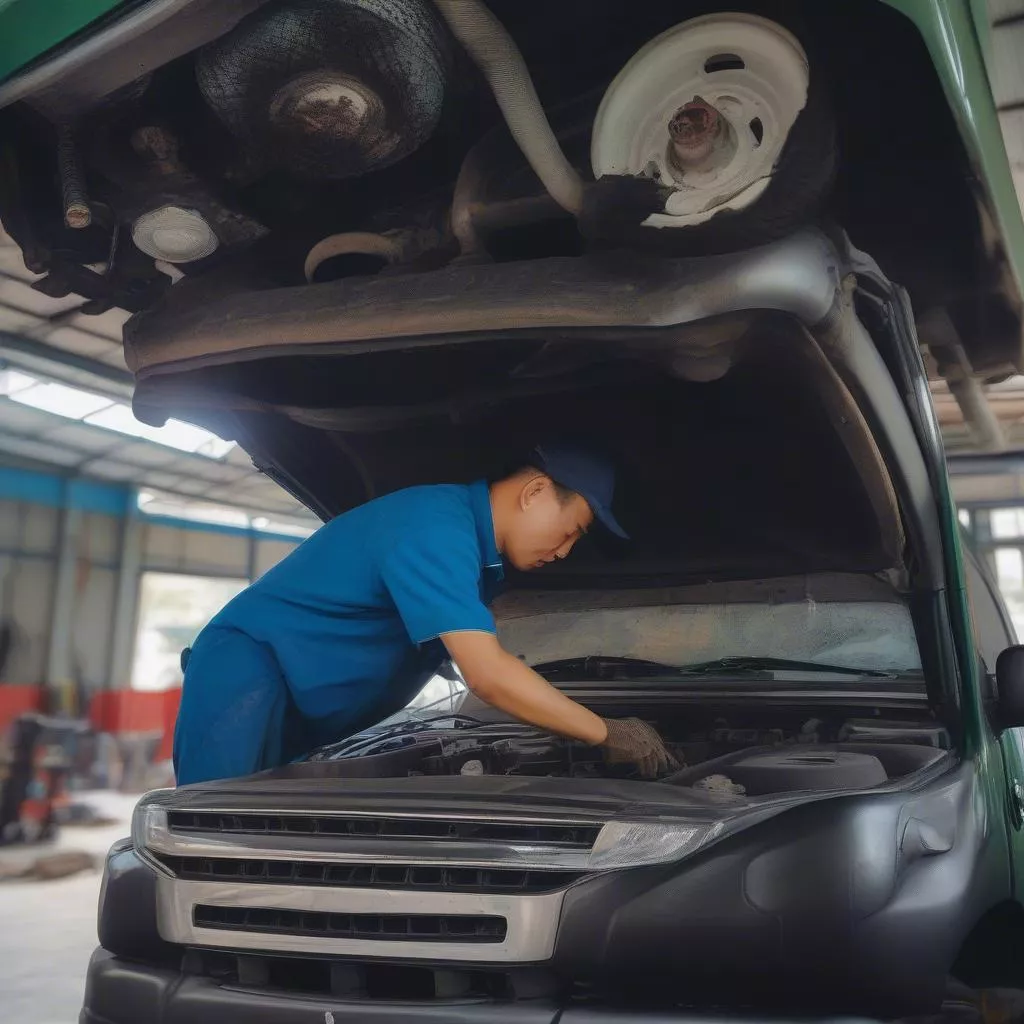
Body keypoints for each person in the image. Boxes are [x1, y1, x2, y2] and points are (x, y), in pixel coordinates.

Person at [172, 443, 675, 784]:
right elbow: (488, 676)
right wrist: (607, 732)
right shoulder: (437, 527)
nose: (565, 551)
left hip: (302, 711)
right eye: (572, 529)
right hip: (245, 680)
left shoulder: (472, 557)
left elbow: (477, 668)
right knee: (214, 840)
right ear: (536, 491)